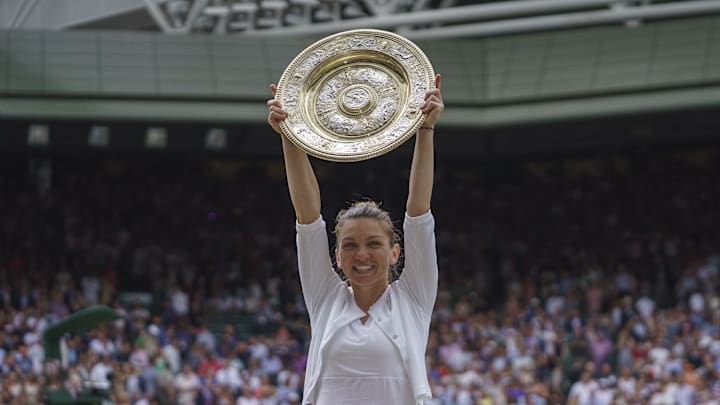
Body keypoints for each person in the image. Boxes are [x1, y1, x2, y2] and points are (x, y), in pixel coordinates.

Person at [267, 74, 444, 405]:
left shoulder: (413, 300)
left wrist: (425, 129)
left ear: (395, 252)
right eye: (349, 245)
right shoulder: (325, 300)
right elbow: (307, 217)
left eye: (374, 243)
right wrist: (288, 135)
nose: (361, 254)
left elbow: (419, 212)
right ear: (336, 256)